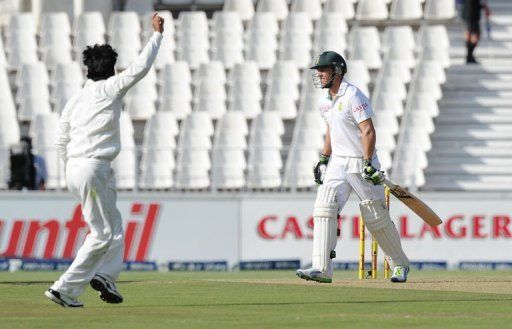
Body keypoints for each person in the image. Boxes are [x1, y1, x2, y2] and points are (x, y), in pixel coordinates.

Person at [45, 13, 164, 308]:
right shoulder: (110, 88)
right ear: (111, 69)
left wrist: (74, 166)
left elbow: (60, 141)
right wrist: (157, 36)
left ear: (87, 70)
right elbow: (139, 69)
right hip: (92, 167)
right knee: (101, 234)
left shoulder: (74, 100)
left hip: (76, 167)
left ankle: (106, 276)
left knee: (114, 225)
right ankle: (65, 289)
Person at [296, 51, 410, 283]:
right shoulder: (325, 101)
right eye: (319, 70)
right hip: (337, 162)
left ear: (337, 71)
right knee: (324, 207)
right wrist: (324, 158)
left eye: (324, 69)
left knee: (374, 216)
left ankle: (400, 265)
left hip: (360, 162)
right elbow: (331, 129)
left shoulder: (353, 95)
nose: (320, 74)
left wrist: (368, 162)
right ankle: (321, 268)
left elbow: (367, 130)